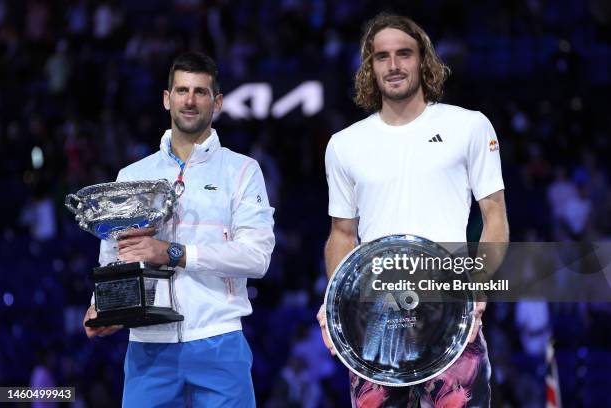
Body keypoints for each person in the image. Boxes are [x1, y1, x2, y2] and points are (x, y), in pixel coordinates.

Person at [317, 13, 509, 407]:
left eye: (404, 54)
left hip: (450, 308)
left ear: (423, 60)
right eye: (382, 56)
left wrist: (480, 286)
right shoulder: (344, 144)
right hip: (375, 317)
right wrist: (334, 301)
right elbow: (341, 234)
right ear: (370, 67)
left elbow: (495, 216)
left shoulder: (469, 126)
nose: (394, 65)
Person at [82, 51, 275, 407]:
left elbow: (257, 257)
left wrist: (174, 253)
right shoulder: (133, 175)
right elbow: (115, 254)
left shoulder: (242, 171)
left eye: (201, 92)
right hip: (148, 347)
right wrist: (101, 306)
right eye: (182, 90)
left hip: (219, 340)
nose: (190, 100)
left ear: (216, 102)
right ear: (166, 98)